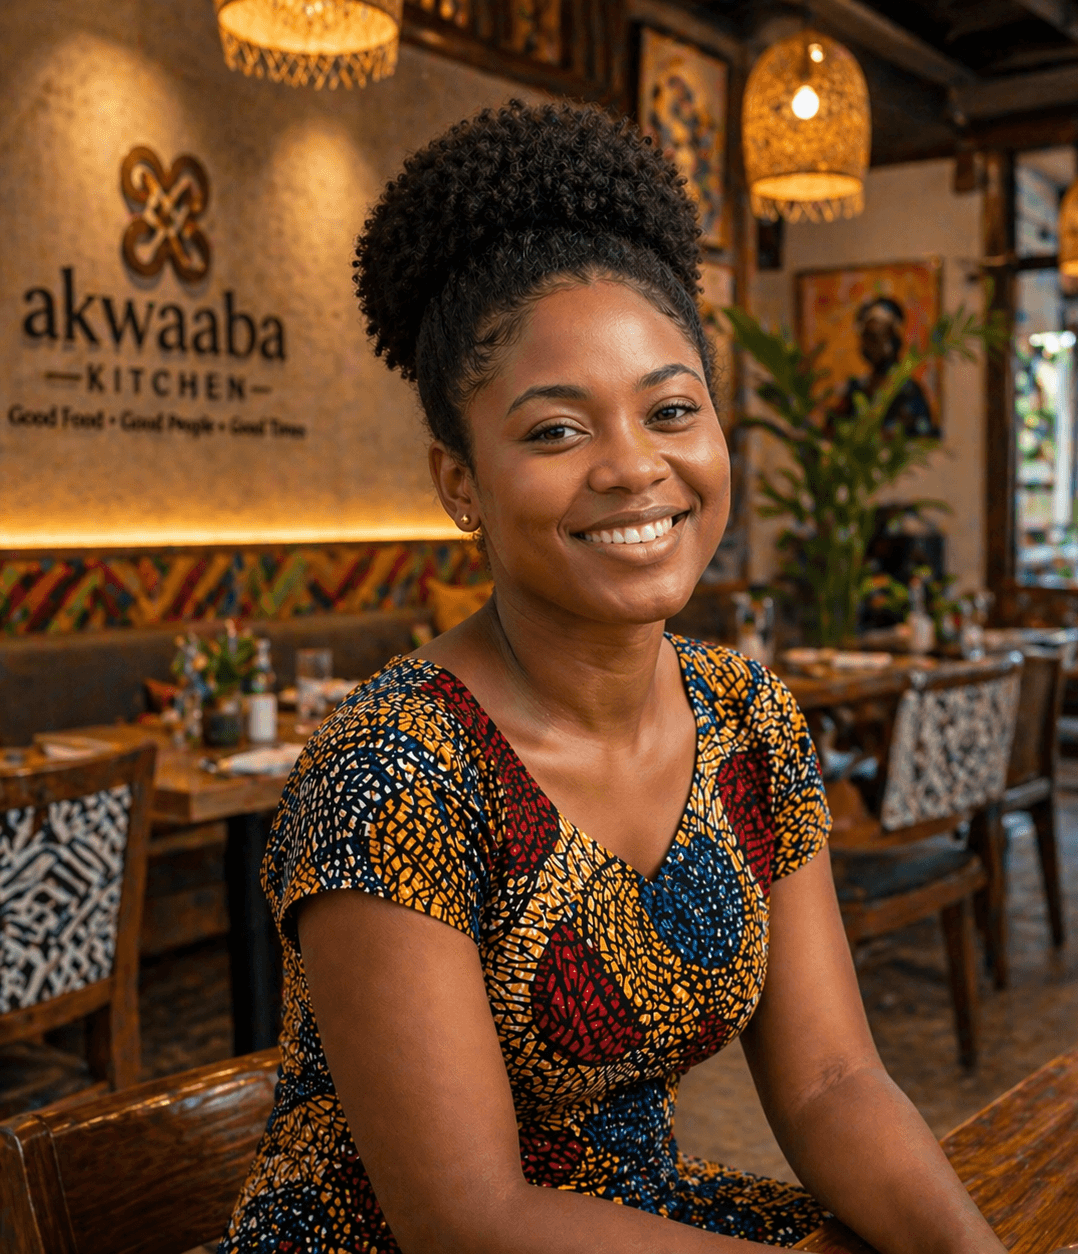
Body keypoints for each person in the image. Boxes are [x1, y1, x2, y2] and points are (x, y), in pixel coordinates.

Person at [219, 101, 1006, 1254]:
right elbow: (466, 1220)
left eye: (673, 409)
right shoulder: (392, 776)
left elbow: (835, 1079)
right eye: (554, 432)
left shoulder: (748, 720)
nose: (637, 467)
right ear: (460, 485)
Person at [840, 296, 940, 440]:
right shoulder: (856, 389)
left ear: (894, 339)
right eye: (868, 337)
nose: (874, 346)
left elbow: (925, 434)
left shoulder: (909, 390)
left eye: (881, 336)